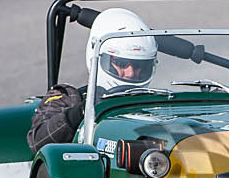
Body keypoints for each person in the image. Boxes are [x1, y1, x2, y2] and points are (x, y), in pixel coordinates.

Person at [27, 8, 157, 153]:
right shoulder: (69, 98)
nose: (130, 73)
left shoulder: (156, 103)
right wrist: (82, 111)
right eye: (121, 64)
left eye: (139, 66)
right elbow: (38, 142)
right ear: (97, 56)